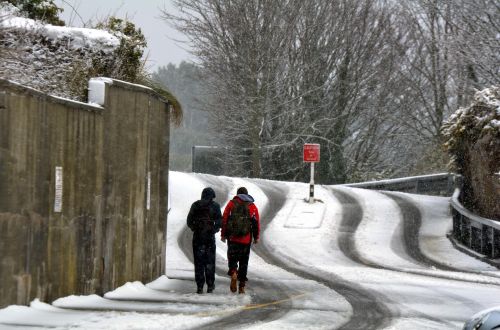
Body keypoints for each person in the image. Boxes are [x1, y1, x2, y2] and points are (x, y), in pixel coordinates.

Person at [221, 187, 260, 294]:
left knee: (232, 258)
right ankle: (242, 286)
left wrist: (223, 235)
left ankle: (233, 272)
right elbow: (256, 223)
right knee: (244, 262)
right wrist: (256, 237)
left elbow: (224, 220)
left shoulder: (231, 204)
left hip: (233, 238)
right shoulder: (252, 206)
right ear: (247, 195)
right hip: (246, 240)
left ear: (237, 194)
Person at [187, 187, 222, 294]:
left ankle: (200, 286)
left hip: (197, 238)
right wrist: (213, 230)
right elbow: (220, 221)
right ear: (212, 196)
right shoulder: (215, 206)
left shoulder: (195, 205)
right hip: (209, 238)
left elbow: (189, 221)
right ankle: (210, 285)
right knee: (210, 262)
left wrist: (195, 228)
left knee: (199, 263)